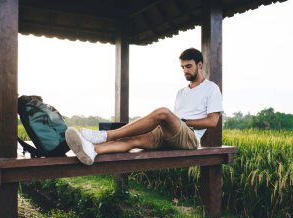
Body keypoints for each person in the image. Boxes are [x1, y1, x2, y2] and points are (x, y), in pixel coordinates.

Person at [65, 48, 223, 165]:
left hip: (190, 138)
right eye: (182, 67)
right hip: (171, 134)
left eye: (188, 66)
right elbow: (175, 121)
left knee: (162, 112)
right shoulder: (181, 92)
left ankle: (106, 135)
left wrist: (185, 121)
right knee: (133, 139)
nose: (185, 70)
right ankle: (93, 150)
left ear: (200, 65)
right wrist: (175, 122)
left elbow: (212, 122)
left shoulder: (211, 88)